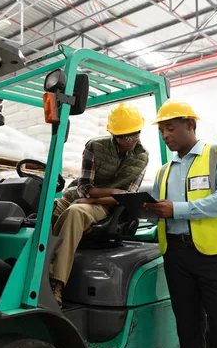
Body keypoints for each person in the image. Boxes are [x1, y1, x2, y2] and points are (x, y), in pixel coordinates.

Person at [145, 99, 217, 348]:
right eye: (162, 131)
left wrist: (177, 210)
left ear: (190, 125)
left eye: (171, 128)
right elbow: (160, 210)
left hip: (214, 257)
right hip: (176, 257)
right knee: (188, 332)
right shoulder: (164, 171)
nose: (166, 135)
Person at [49, 102, 149, 306]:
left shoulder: (141, 157)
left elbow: (126, 197)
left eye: (134, 134)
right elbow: (85, 187)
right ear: (114, 134)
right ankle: (30, 270)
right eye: (124, 136)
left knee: (76, 212)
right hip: (77, 195)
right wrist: (110, 191)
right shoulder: (94, 146)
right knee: (43, 211)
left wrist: (94, 198)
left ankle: (55, 282)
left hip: (105, 205)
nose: (130, 140)